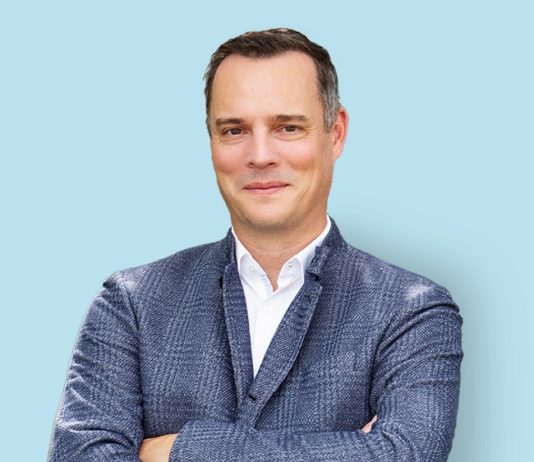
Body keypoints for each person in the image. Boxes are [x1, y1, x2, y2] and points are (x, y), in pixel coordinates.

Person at [49, 28, 463, 461]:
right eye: (234, 130)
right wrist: (351, 450)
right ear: (211, 139)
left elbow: (405, 454)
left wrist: (179, 450)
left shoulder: (412, 310)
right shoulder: (131, 302)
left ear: (336, 132)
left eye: (288, 127)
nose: (260, 154)